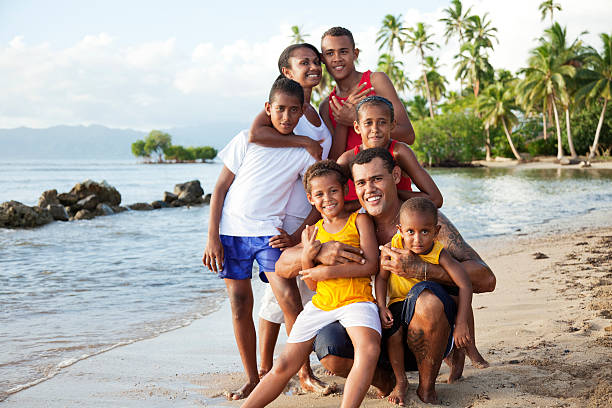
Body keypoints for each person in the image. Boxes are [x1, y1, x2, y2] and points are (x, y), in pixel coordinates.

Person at [275, 148, 496, 404]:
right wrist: (320, 252)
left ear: (395, 175)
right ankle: (387, 381)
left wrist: (422, 269)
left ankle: (426, 388)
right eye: (361, 182)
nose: (369, 188)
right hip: (375, 326)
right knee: (329, 349)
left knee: (427, 299)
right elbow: (281, 266)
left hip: (424, 328)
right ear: (353, 188)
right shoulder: (350, 221)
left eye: (377, 179)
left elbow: (486, 278)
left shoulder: (418, 219)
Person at [201, 77, 316, 400]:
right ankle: (252, 377)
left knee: (290, 301)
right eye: (280, 109)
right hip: (231, 234)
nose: (287, 117)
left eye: (294, 111)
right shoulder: (245, 140)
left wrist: (295, 235)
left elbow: (320, 196)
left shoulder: (304, 151)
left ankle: (301, 371)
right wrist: (212, 237)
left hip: (269, 234)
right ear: (268, 108)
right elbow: (220, 189)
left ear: (303, 111)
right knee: (240, 305)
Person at [242, 160, 381, 408]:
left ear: (345, 191)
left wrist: (328, 271)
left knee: (368, 350)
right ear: (310, 198)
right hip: (322, 304)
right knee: (284, 364)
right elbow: (313, 284)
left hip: (357, 300)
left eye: (333, 191)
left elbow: (371, 265)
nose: (327, 198)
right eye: (319, 194)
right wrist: (308, 256)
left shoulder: (359, 222)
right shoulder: (312, 233)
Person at [247, 43, 332, 393]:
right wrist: (302, 142)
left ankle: (278, 370)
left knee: (295, 293)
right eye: (303, 63)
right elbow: (256, 135)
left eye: (316, 61)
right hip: (284, 218)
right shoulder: (278, 111)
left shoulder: (317, 112)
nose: (313, 66)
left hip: (312, 214)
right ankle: (282, 371)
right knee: (280, 297)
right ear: (286, 72)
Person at [375, 197, 473, 406]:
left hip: (425, 309)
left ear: (436, 232)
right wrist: (381, 306)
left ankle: (426, 385)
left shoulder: (439, 253)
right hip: (398, 304)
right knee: (392, 332)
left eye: (425, 232)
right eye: (410, 232)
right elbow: (381, 278)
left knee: (427, 301)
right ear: (400, 230)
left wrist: (462, 322)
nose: (417, 239)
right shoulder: (391, 248)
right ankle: (401, 381)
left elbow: (464, 283)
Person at [318, 26, 415, 161]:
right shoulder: (327, 106)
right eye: (330, 53)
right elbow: (335, 160)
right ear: (322, 58)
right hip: (356, 180)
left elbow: (408, 135)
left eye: (343, 52)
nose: (337, 58)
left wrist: (356, 119)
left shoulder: (375, 81)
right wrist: (343, 122)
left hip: (390, 177)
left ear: (355, 54)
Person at [337, 95, 442, 212]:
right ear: (357, 127)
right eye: (368, 123)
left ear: (392, 125)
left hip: (399, 214)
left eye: (382, 122)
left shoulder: (399, 152)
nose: (375, 129)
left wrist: (391, 193)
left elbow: (435, 199)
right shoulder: (348, 159)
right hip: (363, 215)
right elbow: (331, 200)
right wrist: (370, 201)